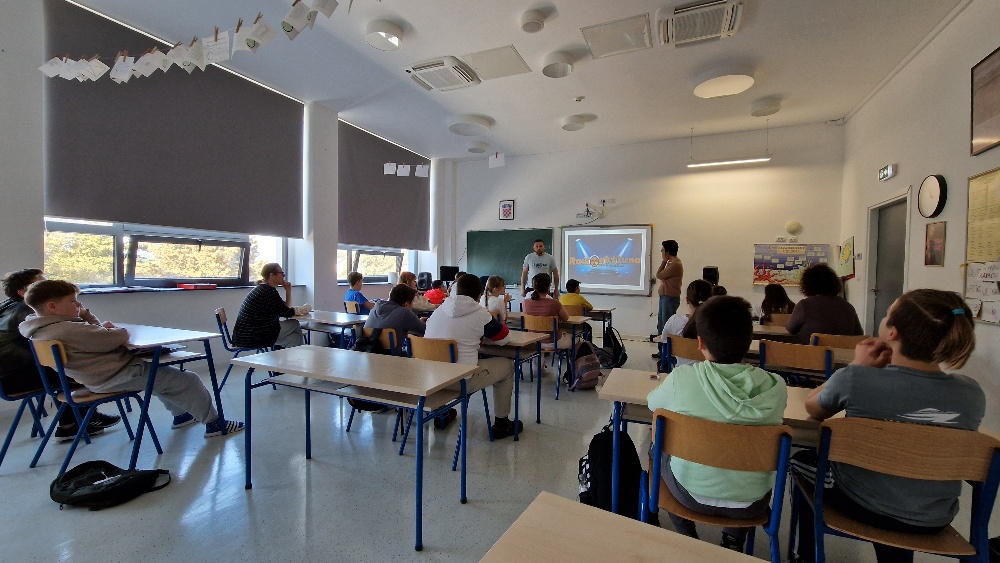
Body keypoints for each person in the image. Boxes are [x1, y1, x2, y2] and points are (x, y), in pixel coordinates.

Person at [791, 289, 985, 563]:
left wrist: (857, 365)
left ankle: (805, 557)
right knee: (900, 479)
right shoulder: (971, 394)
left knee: (800, 461)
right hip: (932, 517)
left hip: (861, 503)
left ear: (892, 332)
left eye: (886, 315)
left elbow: (813, 407)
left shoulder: (857, 378)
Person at [647, 296, 787, 552]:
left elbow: (652, 404)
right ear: (749, 341)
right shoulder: (776, 387)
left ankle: (687, 536)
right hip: (751, 504)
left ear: (700, 342)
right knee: (740, 456)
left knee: (655, 445)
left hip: (689, 496)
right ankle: (733, 539)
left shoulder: (682, 378)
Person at [19, 280, 244, 437]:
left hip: (95, 377)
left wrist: (88, 317)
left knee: (160, 374)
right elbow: (117, 336)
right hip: (117, 376)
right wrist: (110, 329)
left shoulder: (40, 328)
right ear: (52, 306)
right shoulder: (68, 329)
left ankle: (181, 415)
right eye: (73, 302)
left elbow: (96, 333)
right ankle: (215, 424)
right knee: (188, 379)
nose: (79, 305)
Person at [1, 269, 121, 440]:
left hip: (9, 376)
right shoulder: (29, 311)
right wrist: (86, 315)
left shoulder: (7, 306)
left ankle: (71, 422)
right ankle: (76, 423)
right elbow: (81, 333)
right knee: (75, 367)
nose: (47, 285)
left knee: (62, 363)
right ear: (22, 293)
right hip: (17, 377)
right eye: (40, 283)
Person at [424, 274, 522, 439]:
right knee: (507, 366)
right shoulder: (479, 313)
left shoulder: (439, 310)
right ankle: (502, 424)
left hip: (433, 379)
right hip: (460, 380)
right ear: (479, 295)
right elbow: (504, 338)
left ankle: (442, 413)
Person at [232, 263, 304, 349]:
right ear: (272, 275)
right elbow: (288, 313)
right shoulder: (268, 292)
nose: (283, 276)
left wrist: (288, 291)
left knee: (294, 338)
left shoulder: (263, 288)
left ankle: (283, 355)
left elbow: (285, 309)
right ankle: (299, 353)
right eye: (281, 273)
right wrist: (304, 309)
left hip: (243, 337)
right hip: (253, 336)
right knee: (295, 323)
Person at [786, 264, 863, 344]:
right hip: (843, 351)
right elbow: (859, 335)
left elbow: (791, 329)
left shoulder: (804, 305)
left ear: (807, 285)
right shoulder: (848, 306)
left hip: (811, 351)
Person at [654, 279, 713, 362]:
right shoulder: (716, 324)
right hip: (708, 369)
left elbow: (664, 340)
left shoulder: (674, 320)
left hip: (681, 368)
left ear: (687, 300)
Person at [363, 284, 426, 355]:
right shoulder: (404, 313)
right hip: (392, 357)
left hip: (369, 354)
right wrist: (421, 322)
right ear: (406, 304)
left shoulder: (375, 307)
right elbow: (424, 331)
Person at [521, 273, 572, 352]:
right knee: (576, 339)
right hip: (552, 342)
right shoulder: (554, 303)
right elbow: (566, 318)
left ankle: (542, 360)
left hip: (533, 341)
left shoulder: (525, 303)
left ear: (533, 286)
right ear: (548, 287)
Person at [655, 240, 683, 335]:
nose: (661, 251)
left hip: (669, 298)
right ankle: (661, 344)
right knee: (661, 324)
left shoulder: (675, 264)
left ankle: (665, 344)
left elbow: (659, 275)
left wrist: (664, 261)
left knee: (665, 325)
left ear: (668, 252)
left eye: (663, 250)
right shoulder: (671, 263)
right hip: (665, 297)